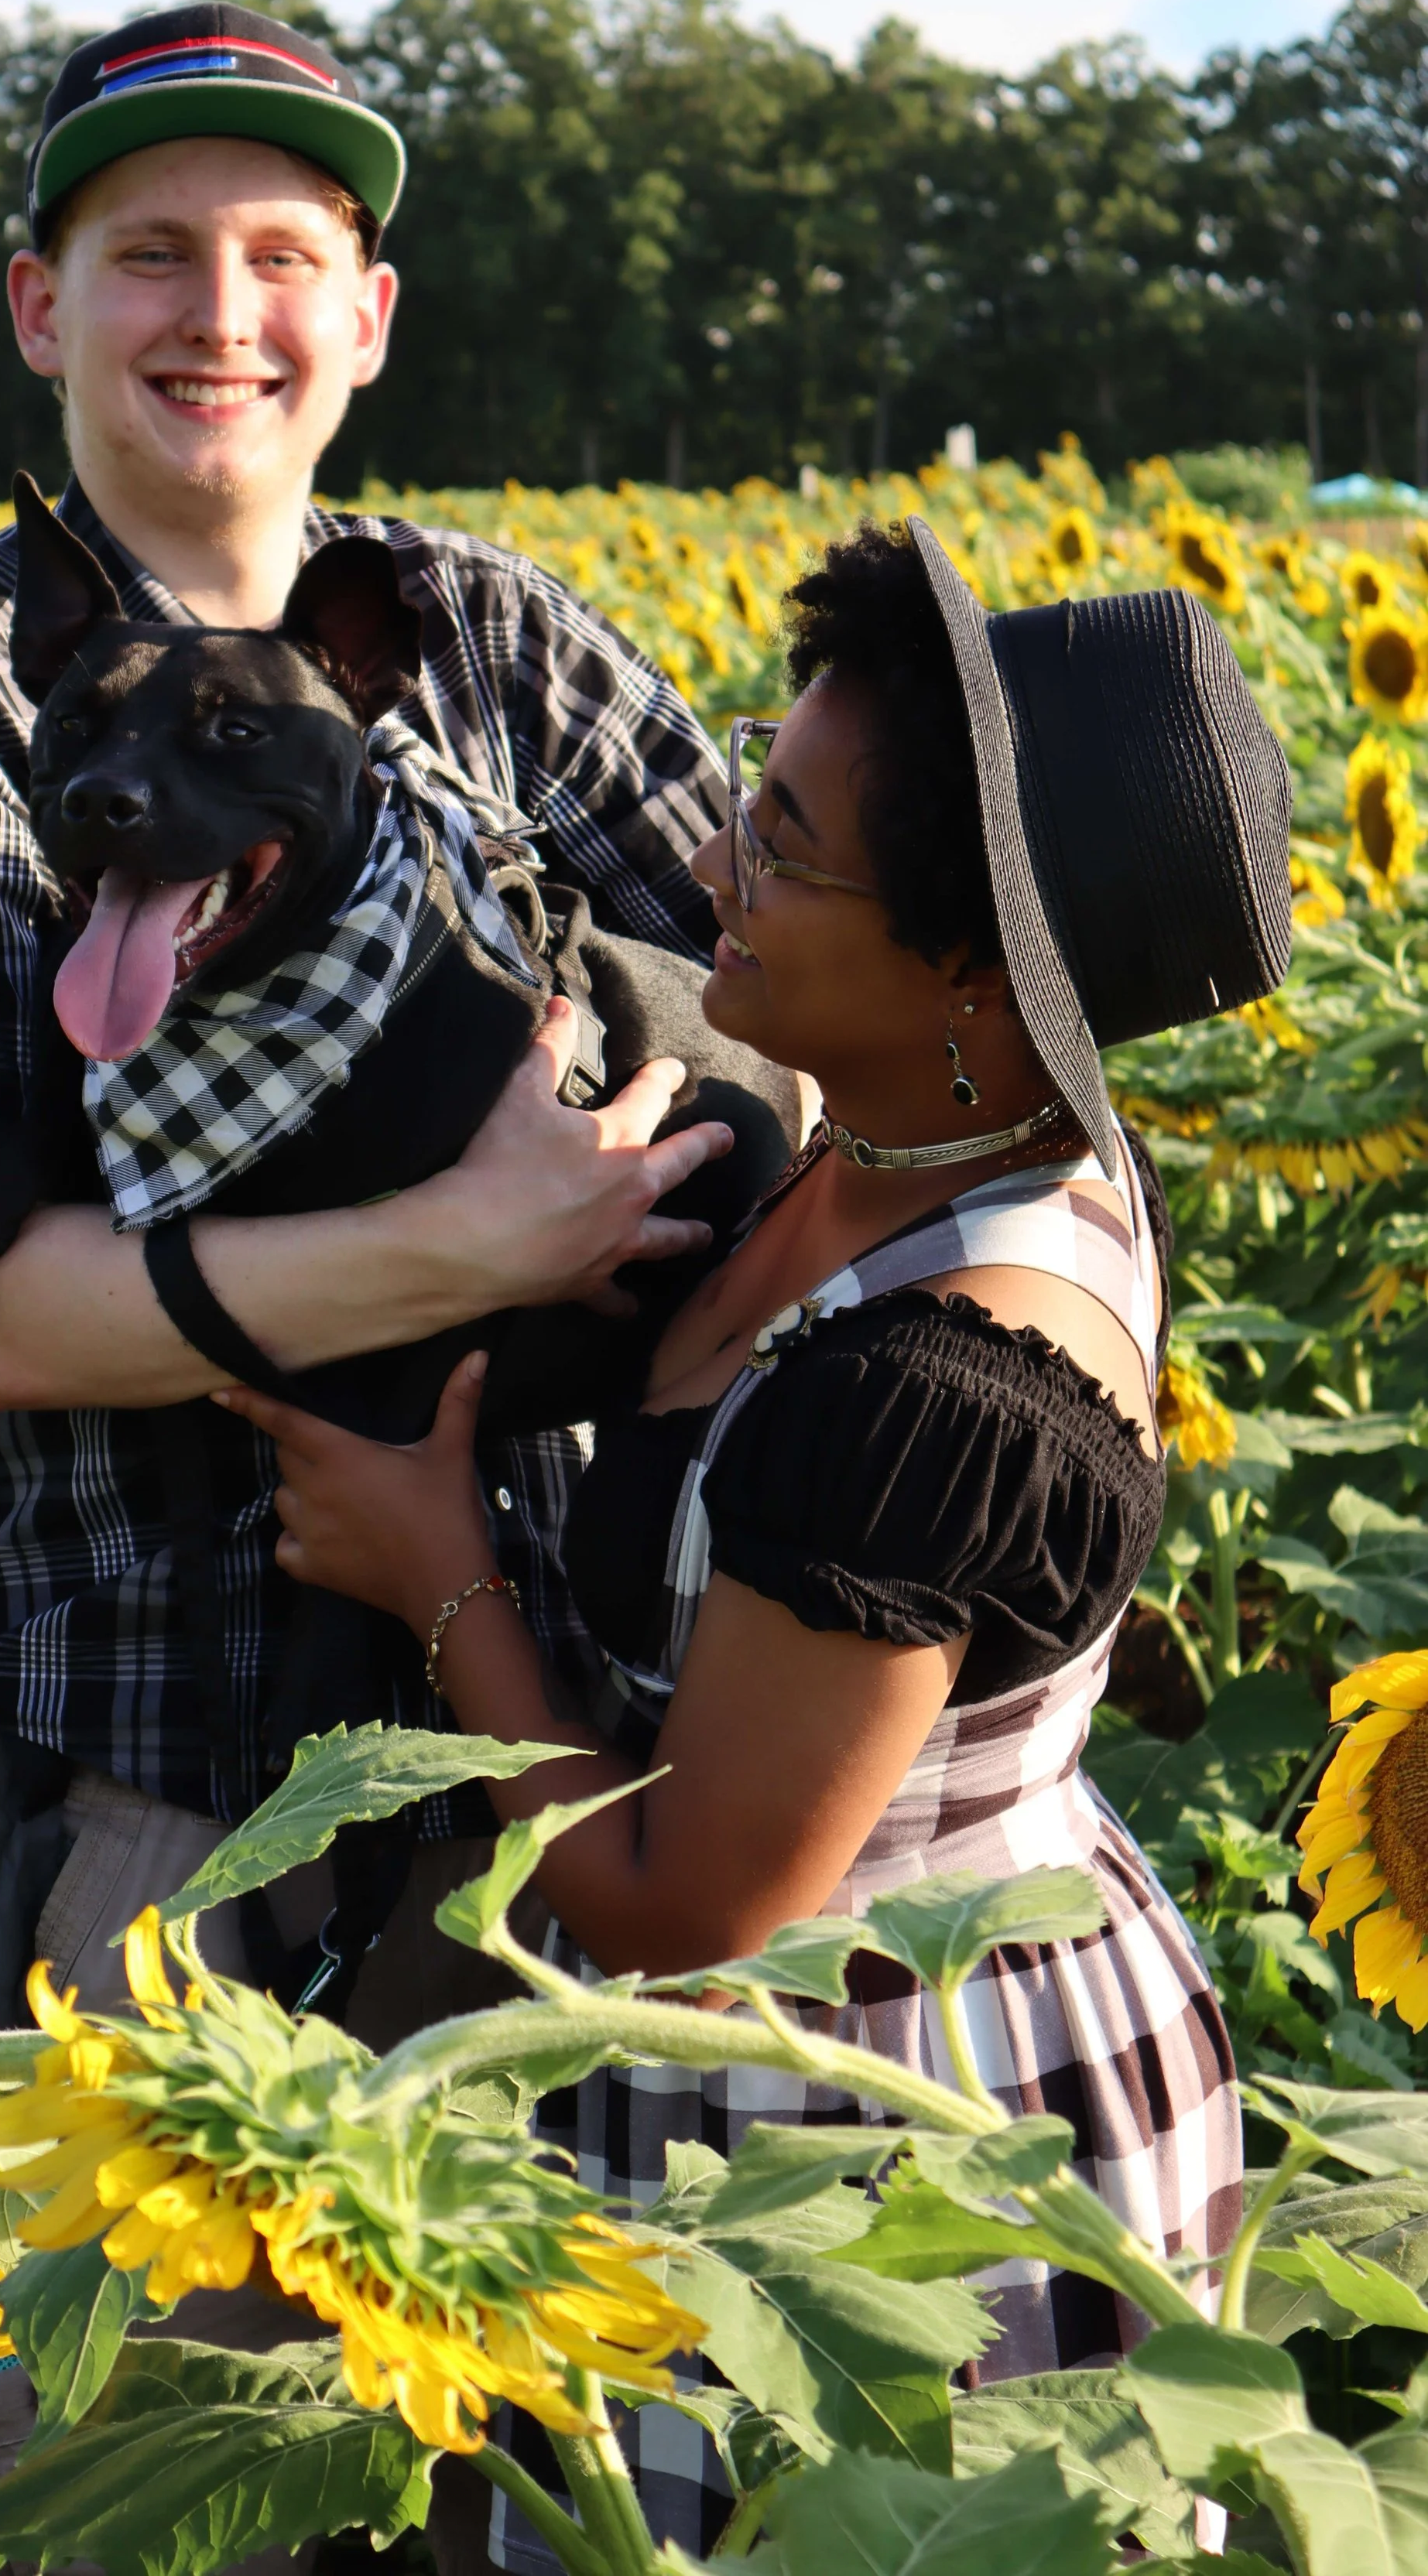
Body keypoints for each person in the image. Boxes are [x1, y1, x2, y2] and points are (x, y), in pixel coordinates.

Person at [0, 0, 735, 2574]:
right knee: (92, 2489)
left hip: (553, 1754)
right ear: (33, 304)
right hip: (140, 1795)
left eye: (281, 253)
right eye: (147, 250)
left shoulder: (503, 651)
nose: (220, 310)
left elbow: (792, 983)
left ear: (366, 316)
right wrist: (478, 1237)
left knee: (534, 2483)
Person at [221, 517, 1293, 2564]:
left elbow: (673, 1916)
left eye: (784, 845)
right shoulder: (887, 1131)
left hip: (874, 2161)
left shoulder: (945, 1386)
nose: (713, 864)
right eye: (746, 785)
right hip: (750, 2116)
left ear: (974, 971)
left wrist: (432, 1560)